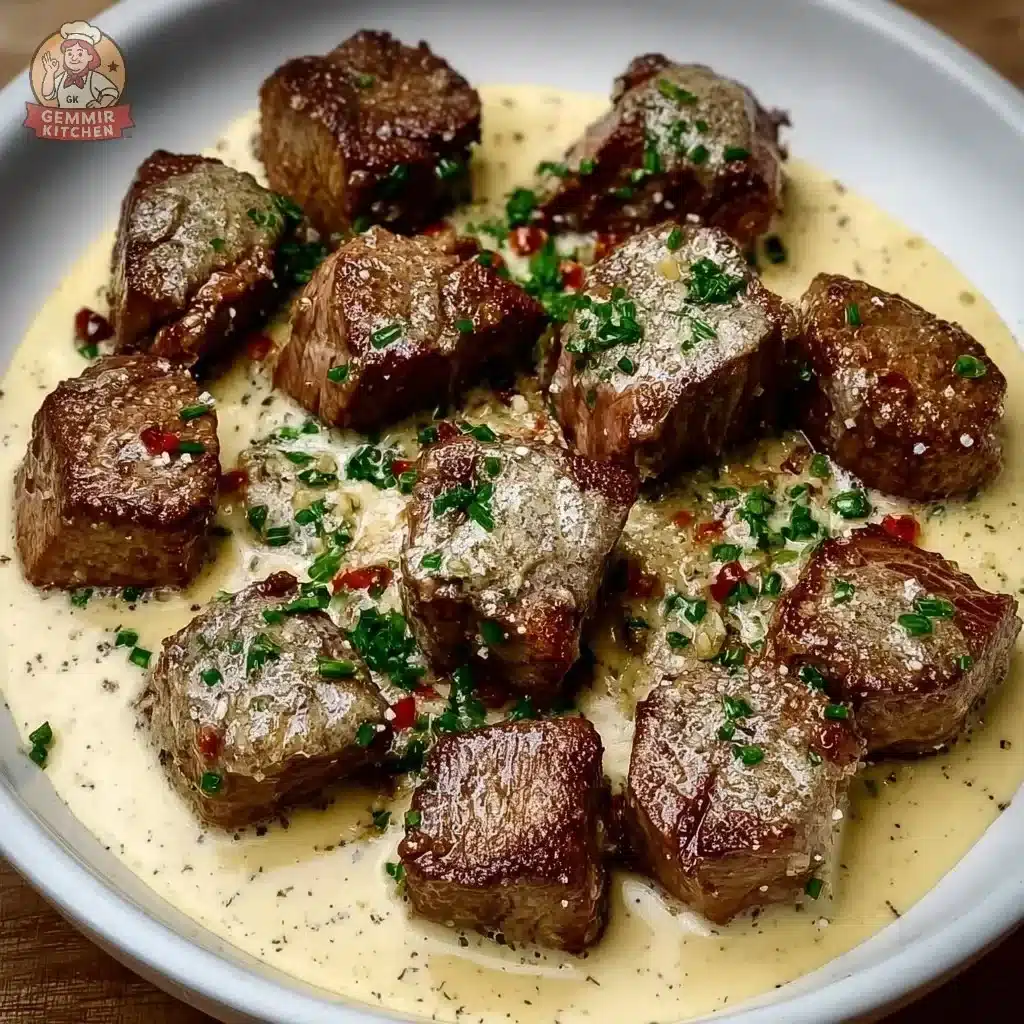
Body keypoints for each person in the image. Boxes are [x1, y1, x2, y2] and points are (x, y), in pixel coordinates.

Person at [39, 21, 119, 110]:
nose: (74, 58)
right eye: (69, 54)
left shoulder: (93, 77)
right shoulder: (62, 77)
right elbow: (47, 95)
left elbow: (111, 92)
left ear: (90, 57)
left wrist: (101, 104)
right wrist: (50, 73)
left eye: (80, 54)